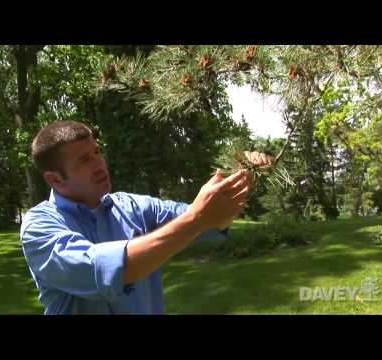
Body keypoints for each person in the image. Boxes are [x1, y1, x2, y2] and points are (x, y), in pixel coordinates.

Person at [20, 120, 273, 314]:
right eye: (85, 159)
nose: (99, 163)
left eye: (97, 152)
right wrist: (197, 218)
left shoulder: (132, 207)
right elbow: (107, 270)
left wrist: (242, 174)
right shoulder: (39, 227)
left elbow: (211, 220)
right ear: (54, 179)